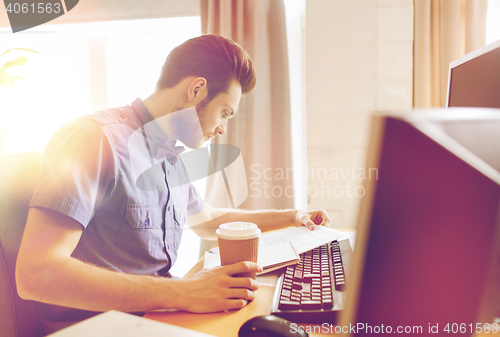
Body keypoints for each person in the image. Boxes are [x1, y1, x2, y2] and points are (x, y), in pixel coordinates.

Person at [15, 34, 330, 333]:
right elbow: (36, 273)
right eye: (224, 113)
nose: (222, 128)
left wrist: (292, 217)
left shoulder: (170, 154)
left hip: (157, 314)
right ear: (196, 90)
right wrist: (183, 292)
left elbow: (208, 219)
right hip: (99, 327)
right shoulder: (95, 138)